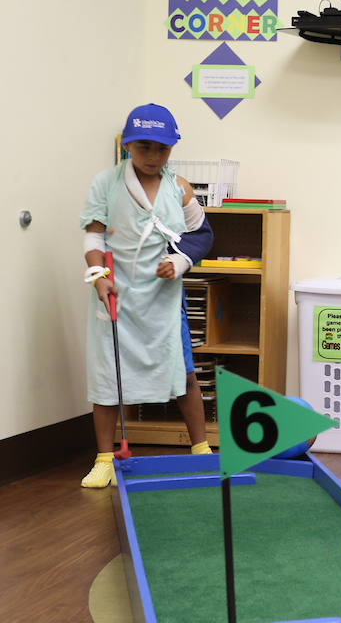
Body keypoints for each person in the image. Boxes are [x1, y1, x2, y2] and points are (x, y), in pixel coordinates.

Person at [80, 103, 213, 488]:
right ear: (127, 145)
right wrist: (98, 276)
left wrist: (182, 261)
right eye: (144, 148)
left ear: (172, 148)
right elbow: (94, 235)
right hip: (115, 294)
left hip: (164, 296)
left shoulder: (179, 187)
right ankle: (105, 458)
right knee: (108, 377)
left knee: (183, 372)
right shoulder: (105, 183)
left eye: (162, 149)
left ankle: (201, 450)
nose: (153, 157)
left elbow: (201, 235)